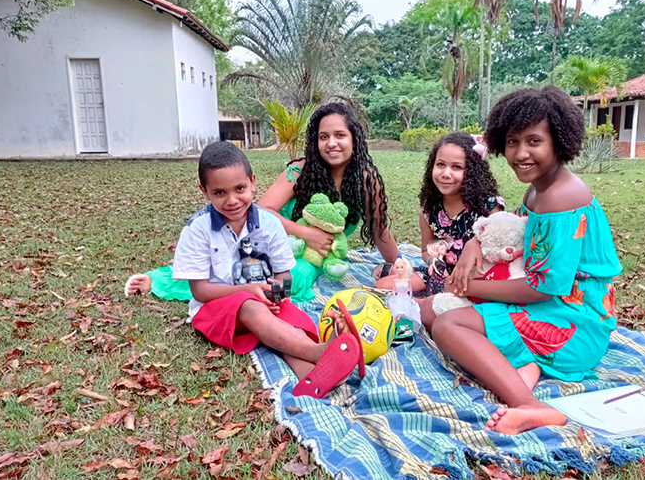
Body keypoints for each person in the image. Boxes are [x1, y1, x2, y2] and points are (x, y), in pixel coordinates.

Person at [424, 86, 622, 435]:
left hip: (572, 323)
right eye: (513, 142)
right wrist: (473, 242)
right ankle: (524, 366)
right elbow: (511, 226)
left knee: (447, 325)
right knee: (428, 309)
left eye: (534, 141)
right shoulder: (540, 187)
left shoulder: (561, 196)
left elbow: (542, 288)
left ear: (559, 141)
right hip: (550, 306)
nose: (520, 153)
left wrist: (473, 286)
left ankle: (528, 404)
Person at [172, 141, 364, 398]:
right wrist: (249, 291)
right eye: (219, 193)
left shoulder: (269, 223)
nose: (232, 200)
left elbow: (284, 275)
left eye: (240, 188)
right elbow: (199, 291)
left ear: (252, 182)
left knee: (286, 330)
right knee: (252, 307)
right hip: (217, 309)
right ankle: (320, 352)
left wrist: (278, 292)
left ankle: (312, 381)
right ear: (204, 191)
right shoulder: (198, 228)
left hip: (267, 303)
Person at [258, 102, 399, 302]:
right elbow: (261, 211)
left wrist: (398, 265)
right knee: (282, 279)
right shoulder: (300, 172)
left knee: (297, 280)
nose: (331, 143)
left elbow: (379, 228)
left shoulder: (366, 180)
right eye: (324, 137)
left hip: (322, 259)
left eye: (340, 135)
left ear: (354, 139)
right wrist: (306, 233)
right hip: (281, 246)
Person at [374, 132, 504, 295]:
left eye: (456, 167)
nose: (446, 173)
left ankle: (425, 303)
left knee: (445, 301)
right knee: (383, 285)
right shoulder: (429, 209)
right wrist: (435, 262)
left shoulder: (488, 206)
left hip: (477, 277)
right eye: (440, 164)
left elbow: (499, 247)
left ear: (472, 172)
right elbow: (424, 250)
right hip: (439, 274)